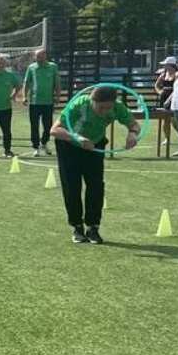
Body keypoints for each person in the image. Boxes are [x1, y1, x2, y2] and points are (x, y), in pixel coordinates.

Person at [51, 85, 138, 244]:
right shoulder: (79, 105)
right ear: (92, 101)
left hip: (95, 145)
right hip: (69, 145)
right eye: (101, 107)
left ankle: (93, 227)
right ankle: (77, 227)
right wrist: (77, 138)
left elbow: (134, 124)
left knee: (96, 185)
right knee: (72, 186)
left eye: (108, 108)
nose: (104, 111)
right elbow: (55, 130)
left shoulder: (117, 107)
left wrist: (132, 134)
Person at [23, 47, 60, 157]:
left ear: (45, 56)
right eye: (37, 56)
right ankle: (36, 147)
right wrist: (24, 96)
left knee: (48, 126)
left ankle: (43, 143)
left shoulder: (53, 67)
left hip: (48, 102)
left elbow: (57, 83)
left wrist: (57, 96)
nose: (39, 58)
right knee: (34, 126)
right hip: (34, 102)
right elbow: (26, 83)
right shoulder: (31, 67)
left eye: (41, 55)